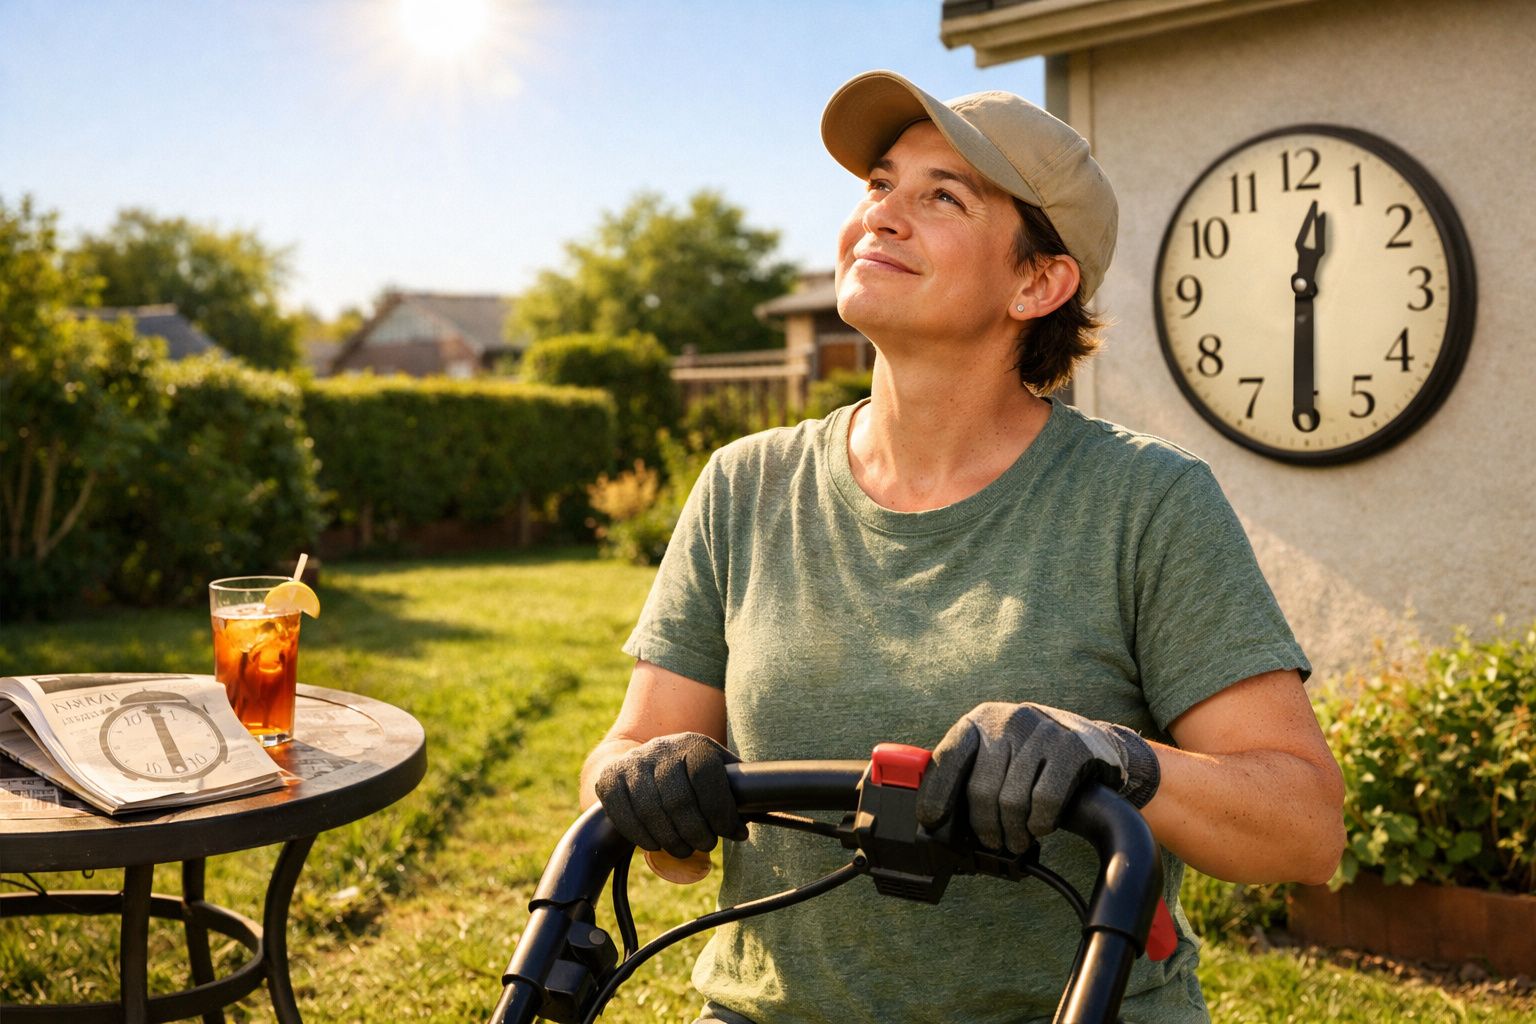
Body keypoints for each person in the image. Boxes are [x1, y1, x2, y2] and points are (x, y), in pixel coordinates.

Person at [579, 69, 1345, 1024]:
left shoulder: (1146, 501)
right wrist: (647, 783)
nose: (882, 214)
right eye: (879, 184)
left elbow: (1303, 827)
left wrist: (1114, 755)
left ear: (1039, 282)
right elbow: (632, 753)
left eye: (943, 196)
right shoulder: (747, 484)